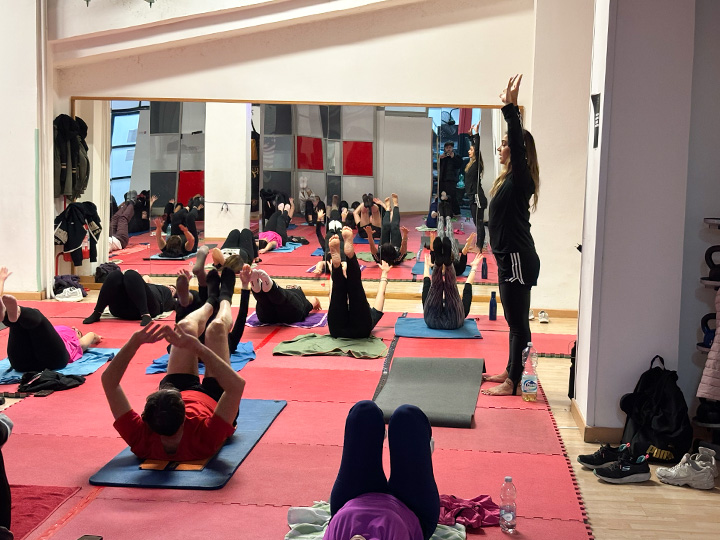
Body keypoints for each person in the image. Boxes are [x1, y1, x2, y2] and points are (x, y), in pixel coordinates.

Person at [101, 268, 246, 461]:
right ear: (185, 417)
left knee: (185, 327)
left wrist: (133, 343)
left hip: (180, 387)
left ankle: (210, 302)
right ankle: (225, 298)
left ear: (147, 419)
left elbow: (109, 382)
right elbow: (236, 386)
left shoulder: (142, 438)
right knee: (216, 329)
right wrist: (198, 348)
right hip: (215, 400)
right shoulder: (205, 439)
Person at [482, 74, 541, 397]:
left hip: (517, 259)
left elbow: (518, 146)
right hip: (510, 259)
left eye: (505, 143)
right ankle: (510, 369)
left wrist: (511, 109)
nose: (501, 147)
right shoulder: (507, 181)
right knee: (513, 321)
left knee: (518, 323)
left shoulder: (521, 180)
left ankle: (514, 381)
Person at [326, 400, 439, 540]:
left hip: (353, 500)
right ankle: (419, 455)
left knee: (364, 411)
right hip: (410, 510)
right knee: (407, 416)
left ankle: (388, 442)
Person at [0, 266, 101, 372]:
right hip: (23, 362)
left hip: (52, 361)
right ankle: (8, 315)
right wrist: (1, 281)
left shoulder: (74, 342)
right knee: (18, 323)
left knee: (36, 317)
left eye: (78, 332)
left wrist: (96, 337)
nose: (74, 328)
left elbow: (90, 336)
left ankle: (11, 313)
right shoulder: (50, 332)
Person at [327, 227, 389, 339]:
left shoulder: (371, 315)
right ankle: (346, 259)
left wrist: (333, 275)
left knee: (348, 287)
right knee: (352, 288)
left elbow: (381, 296)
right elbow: (381, 294)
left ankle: (344, 261)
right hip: (358, 330)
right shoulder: (369, 315)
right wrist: (384, 273)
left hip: (338, 330)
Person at [83, 269, 176, 326]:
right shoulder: (150, 285)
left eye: (173, 289)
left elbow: (178, 304)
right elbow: (146, 277)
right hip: (121, 308)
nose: (170, 287)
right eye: (170, 286)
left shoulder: (166, 293)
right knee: (115, 275)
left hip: (148, 308)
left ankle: (145, 314)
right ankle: (97, 312)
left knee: (131, 274)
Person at [422, 241, 481, 330]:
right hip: (453, 322)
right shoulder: (459, 308)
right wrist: (474, 267)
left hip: (432, 321)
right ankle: (445, 264)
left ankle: (439, 264)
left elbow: (426, 286)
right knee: (450, 288)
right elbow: (467, 290)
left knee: (435, 287)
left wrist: (426, 266)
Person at [248, 268, 320, 324]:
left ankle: (259, 289)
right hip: (289, 316)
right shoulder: (303, 301)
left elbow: (314, 300)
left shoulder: (298, 295)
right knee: (269, 300)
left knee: (264, 302)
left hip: (266, 317)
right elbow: (314, 299)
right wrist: (317, 303)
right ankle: (264, 288)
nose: (291, 286)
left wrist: (315, 301)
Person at [365, 193, 409, 266]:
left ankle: (388, 209)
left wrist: (369, 235)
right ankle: (396, 205)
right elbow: (403, 249)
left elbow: (372, 246)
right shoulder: (397, 258)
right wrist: (405, 235)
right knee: (394, 226)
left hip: (385, 249)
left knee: (385, 226)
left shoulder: (378, 258)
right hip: (396, 247)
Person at [466, 121, 487, 251]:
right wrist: (470, 137)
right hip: (472, 197)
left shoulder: (477, 164)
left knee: (479, 223)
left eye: (471, 150)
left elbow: (477, 149)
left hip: (477, 197)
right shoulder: (471, 164)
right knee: (476, 222)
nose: (469, 151)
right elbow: (474, 148)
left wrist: (476, 134)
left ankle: (479, 247)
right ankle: (479, 245)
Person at [438, 141, 464, 216]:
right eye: (447, 148)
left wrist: (453, 157)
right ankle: (445, 211)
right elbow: (437, 167)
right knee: (442, 196)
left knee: (452, 196)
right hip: (442, 179)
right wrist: (440, 159)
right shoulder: (443, 157)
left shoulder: (457, 156)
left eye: (450, 147)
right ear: (444, 148)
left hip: (451, 180)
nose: (448, 149)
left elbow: (459, 165)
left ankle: (456, 212)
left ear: (452, 148)